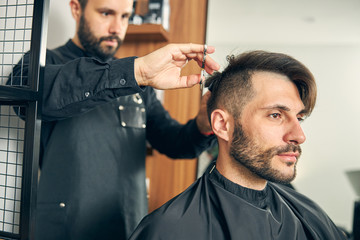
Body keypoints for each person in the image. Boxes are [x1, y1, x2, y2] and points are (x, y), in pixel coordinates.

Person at [8, 0, 220, 239]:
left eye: (124, 16)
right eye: (106, 13)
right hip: (65, 230)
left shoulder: (139, 80)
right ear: (76, 8)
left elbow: (173, 140)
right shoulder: (46, 63)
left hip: (127, 227)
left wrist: (203, 125)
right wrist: (134, 72)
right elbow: (22, 91)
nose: (116, 27)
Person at [128, 50, 348, 240]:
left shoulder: (311, 216)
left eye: (298, 118)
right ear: (223, 125)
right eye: (275, 115)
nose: (299, 136)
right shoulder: (168, 230)